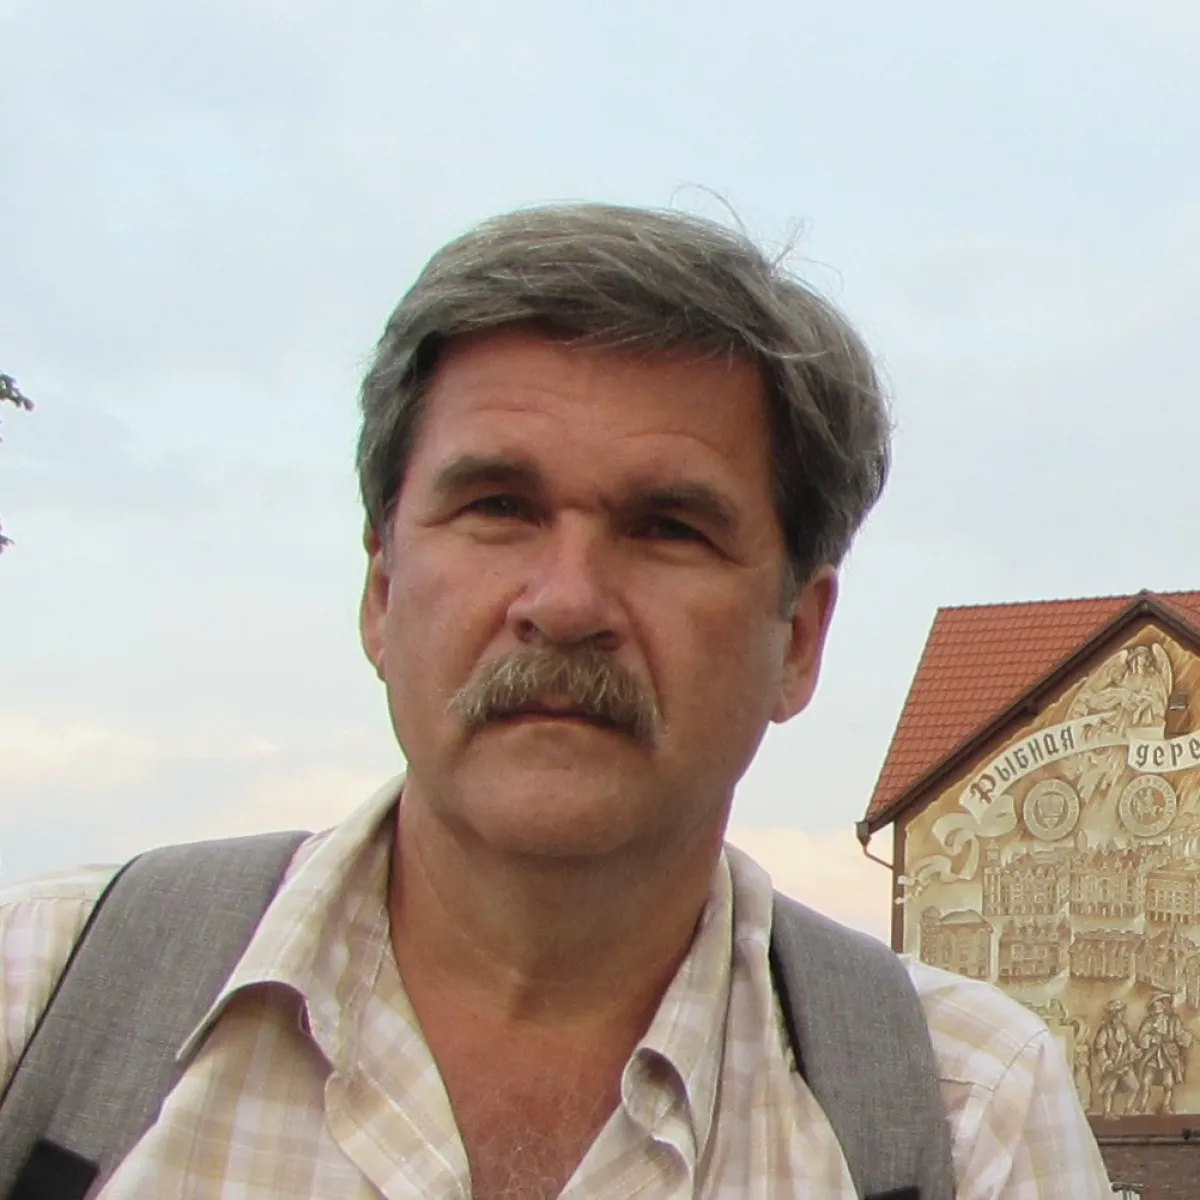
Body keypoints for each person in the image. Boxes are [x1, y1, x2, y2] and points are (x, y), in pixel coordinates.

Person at [0, 204, 1112, 1196]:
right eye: (497, 506)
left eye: (668, 528)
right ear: (382, 593)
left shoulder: (967, 1118)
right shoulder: (38, 998)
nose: (567, 603)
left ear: (798, 641)